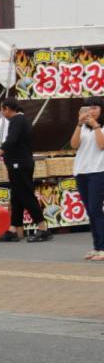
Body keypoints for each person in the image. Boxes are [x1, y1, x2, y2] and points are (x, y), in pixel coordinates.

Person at [0, 98, 51, 243]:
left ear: (6, 108)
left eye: (2, 109)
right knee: (17, 196)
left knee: (26, 194)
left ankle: (43, 227)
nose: (3, 113)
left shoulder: (17, 120)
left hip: (20, 163)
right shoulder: (22, 120)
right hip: (19, 162)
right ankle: (13, 228)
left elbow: (11, 140)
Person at [71, 97, 104, 260]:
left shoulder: (100, 127)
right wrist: (79, 123)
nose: (91, 111)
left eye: (95, 108)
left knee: (96, 210)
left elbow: (101, 145)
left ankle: (103, 248)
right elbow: (74, 144)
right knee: (91, 211)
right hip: (81, 171)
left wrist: (96, 126)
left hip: (98, 171)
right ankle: (97, 246)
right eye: (89, 108)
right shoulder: (83, 127)